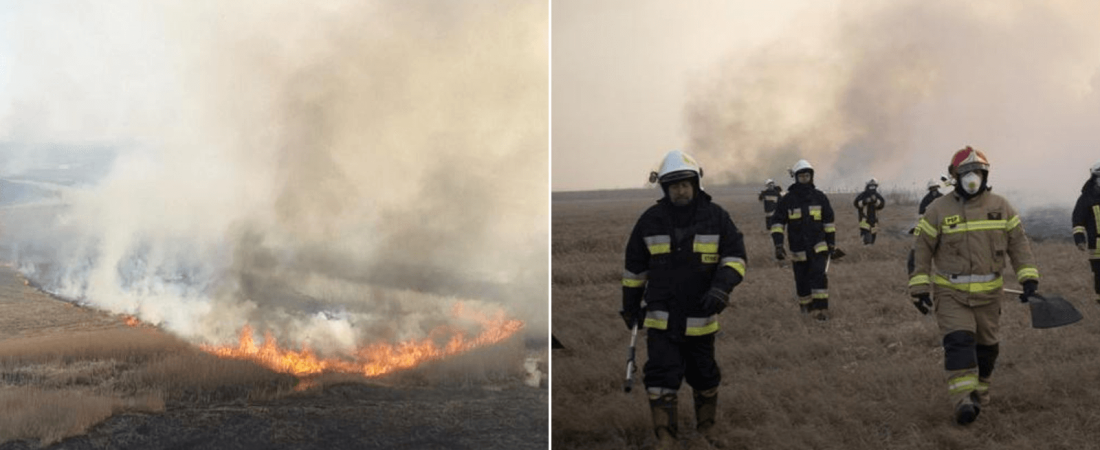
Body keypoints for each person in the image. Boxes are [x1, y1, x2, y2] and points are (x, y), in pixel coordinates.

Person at [620, 150, 746, 449]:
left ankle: (707, 431)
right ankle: (665, 436)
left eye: (685, 183)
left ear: (696, 183)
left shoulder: (717, 218)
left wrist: (722, 288)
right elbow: (634, 269)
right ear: (665, 188)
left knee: (705, 376)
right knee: (662, 376)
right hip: (661, 319)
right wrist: (629, 307)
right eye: (673, 185)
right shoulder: (650, 221)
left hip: (701, 318)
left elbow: (736, 258)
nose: (680, 189)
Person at [909, 146, 1040, 425]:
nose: (972, 178)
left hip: (990, 296)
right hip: (950, 293)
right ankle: (962, 401)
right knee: (959, 342)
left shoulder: (1001, 207)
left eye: (976, 172)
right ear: (955, 176)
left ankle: (980, 394)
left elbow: (1018, 244)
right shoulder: (938, 210)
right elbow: (921, 250)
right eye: (965, 172)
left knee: (987, 349)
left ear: (985, 174)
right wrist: (919, 288)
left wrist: (1028, 277)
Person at [771, 159, 836, 320]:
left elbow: (829, 222)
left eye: (807, 176)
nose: (805, 179)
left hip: (818, 247)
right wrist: (778, 245)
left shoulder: (820, 197)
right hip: (798, 249)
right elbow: (777, 223)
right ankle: (806, 310)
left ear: (811, 177)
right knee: (802, 280)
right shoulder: (787, 200)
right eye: (802, 177)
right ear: (796, 178)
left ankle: (821, 312)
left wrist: (832, 243)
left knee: (819, 276)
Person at [1071, 161, 1100, 304]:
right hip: (1097, 245)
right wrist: (1080, 239)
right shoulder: (1086, 199)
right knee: (1099, 273)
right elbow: (1078, 221)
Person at [853, 178, 886, 245]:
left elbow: (881, 205)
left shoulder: (877, 195)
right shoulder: (863, 195)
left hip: (874, 220)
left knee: (872, 239)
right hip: (864, 219)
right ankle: (865, 248)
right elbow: (856, 204)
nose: (872, 188)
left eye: (873, 186)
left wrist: (875, 201)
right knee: (867, 237)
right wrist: (865, 201)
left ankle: (869, 251)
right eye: (871, 186)